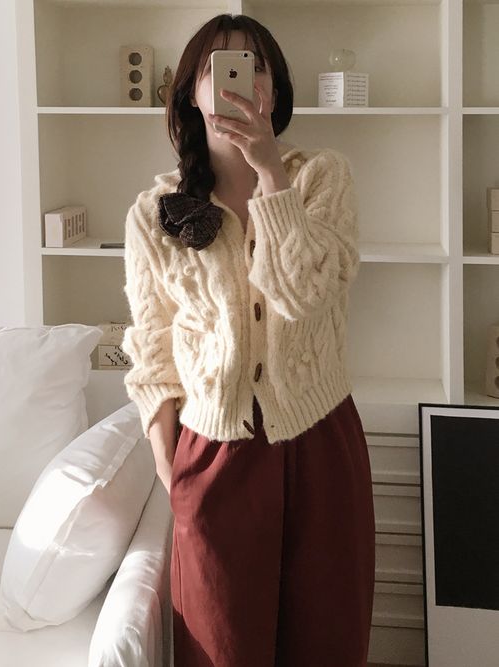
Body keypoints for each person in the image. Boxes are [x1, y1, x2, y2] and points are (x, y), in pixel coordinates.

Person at [122, 13, 376, 667]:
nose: (242, 78)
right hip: (212, 455)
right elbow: (152, 350)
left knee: (328, 642)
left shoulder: (322, 178)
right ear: (192, 91)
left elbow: (303, 294)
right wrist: (171, 468)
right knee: (221, 649)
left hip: (321, 443)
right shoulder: (152, 215)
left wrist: (271, 176)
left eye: (256, 64)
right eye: (221, 65)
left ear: (275, 88)